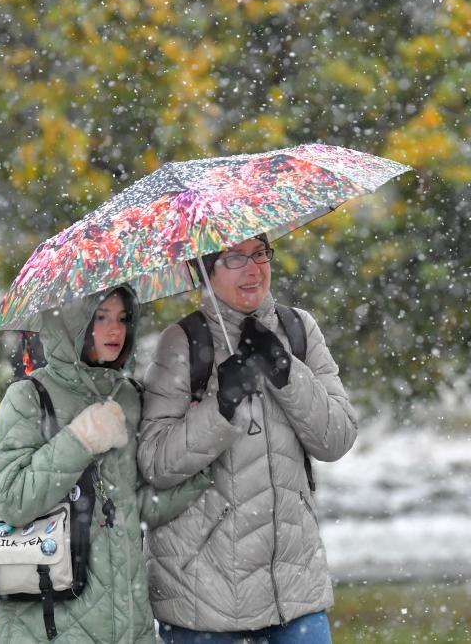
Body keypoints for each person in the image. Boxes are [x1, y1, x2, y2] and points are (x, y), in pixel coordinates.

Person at [139, 235, 358, 643]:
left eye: (259, 254)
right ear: (206, 270)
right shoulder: (183, 343)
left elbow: (337, 439)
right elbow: (155, 463)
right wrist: (221, 407)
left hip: (294, 590)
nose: (253, 269)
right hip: (203, 598)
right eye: (235, 258)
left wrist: (286, 372)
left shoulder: (298, 329)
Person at [0, 286, 210, 643]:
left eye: (122, 319)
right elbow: (12, 501)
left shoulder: (130, 397)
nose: (115, 330)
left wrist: (202, 463)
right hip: (47, 626)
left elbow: (137, 506)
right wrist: (80, 440)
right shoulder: (28, 397)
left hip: (127, 623)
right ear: (72, 324)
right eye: (100, 317)